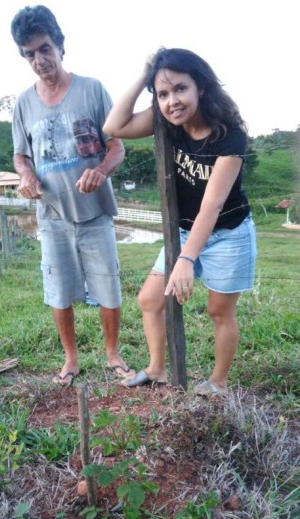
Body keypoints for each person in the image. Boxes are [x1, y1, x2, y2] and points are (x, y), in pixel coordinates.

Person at [103, 48, 257, 395]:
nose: (172, 101)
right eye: (163, 93)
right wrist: (146, 74)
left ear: (200, 86)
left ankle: (218, 382)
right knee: (149, 300)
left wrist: (186, 259)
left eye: (180, 88)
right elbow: (114, 126)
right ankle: (157, 369)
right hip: (186, 229)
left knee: (219, 310)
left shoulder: (229, 135)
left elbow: (212, 205)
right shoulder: (167, 124)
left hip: (228, 232)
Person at [11, 5, 133, 386]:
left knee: (107, 283)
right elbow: (20, 155)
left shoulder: (92, 89)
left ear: (61, 46)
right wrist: (26, 174)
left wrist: (100, 171)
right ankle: (70, 359)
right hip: (52, 215)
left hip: (95, 211)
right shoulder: (23, 104)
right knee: (59, 287)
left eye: (45, 49)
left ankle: (112, 354)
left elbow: (117, 146)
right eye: (29, 53)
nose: (39, 60)